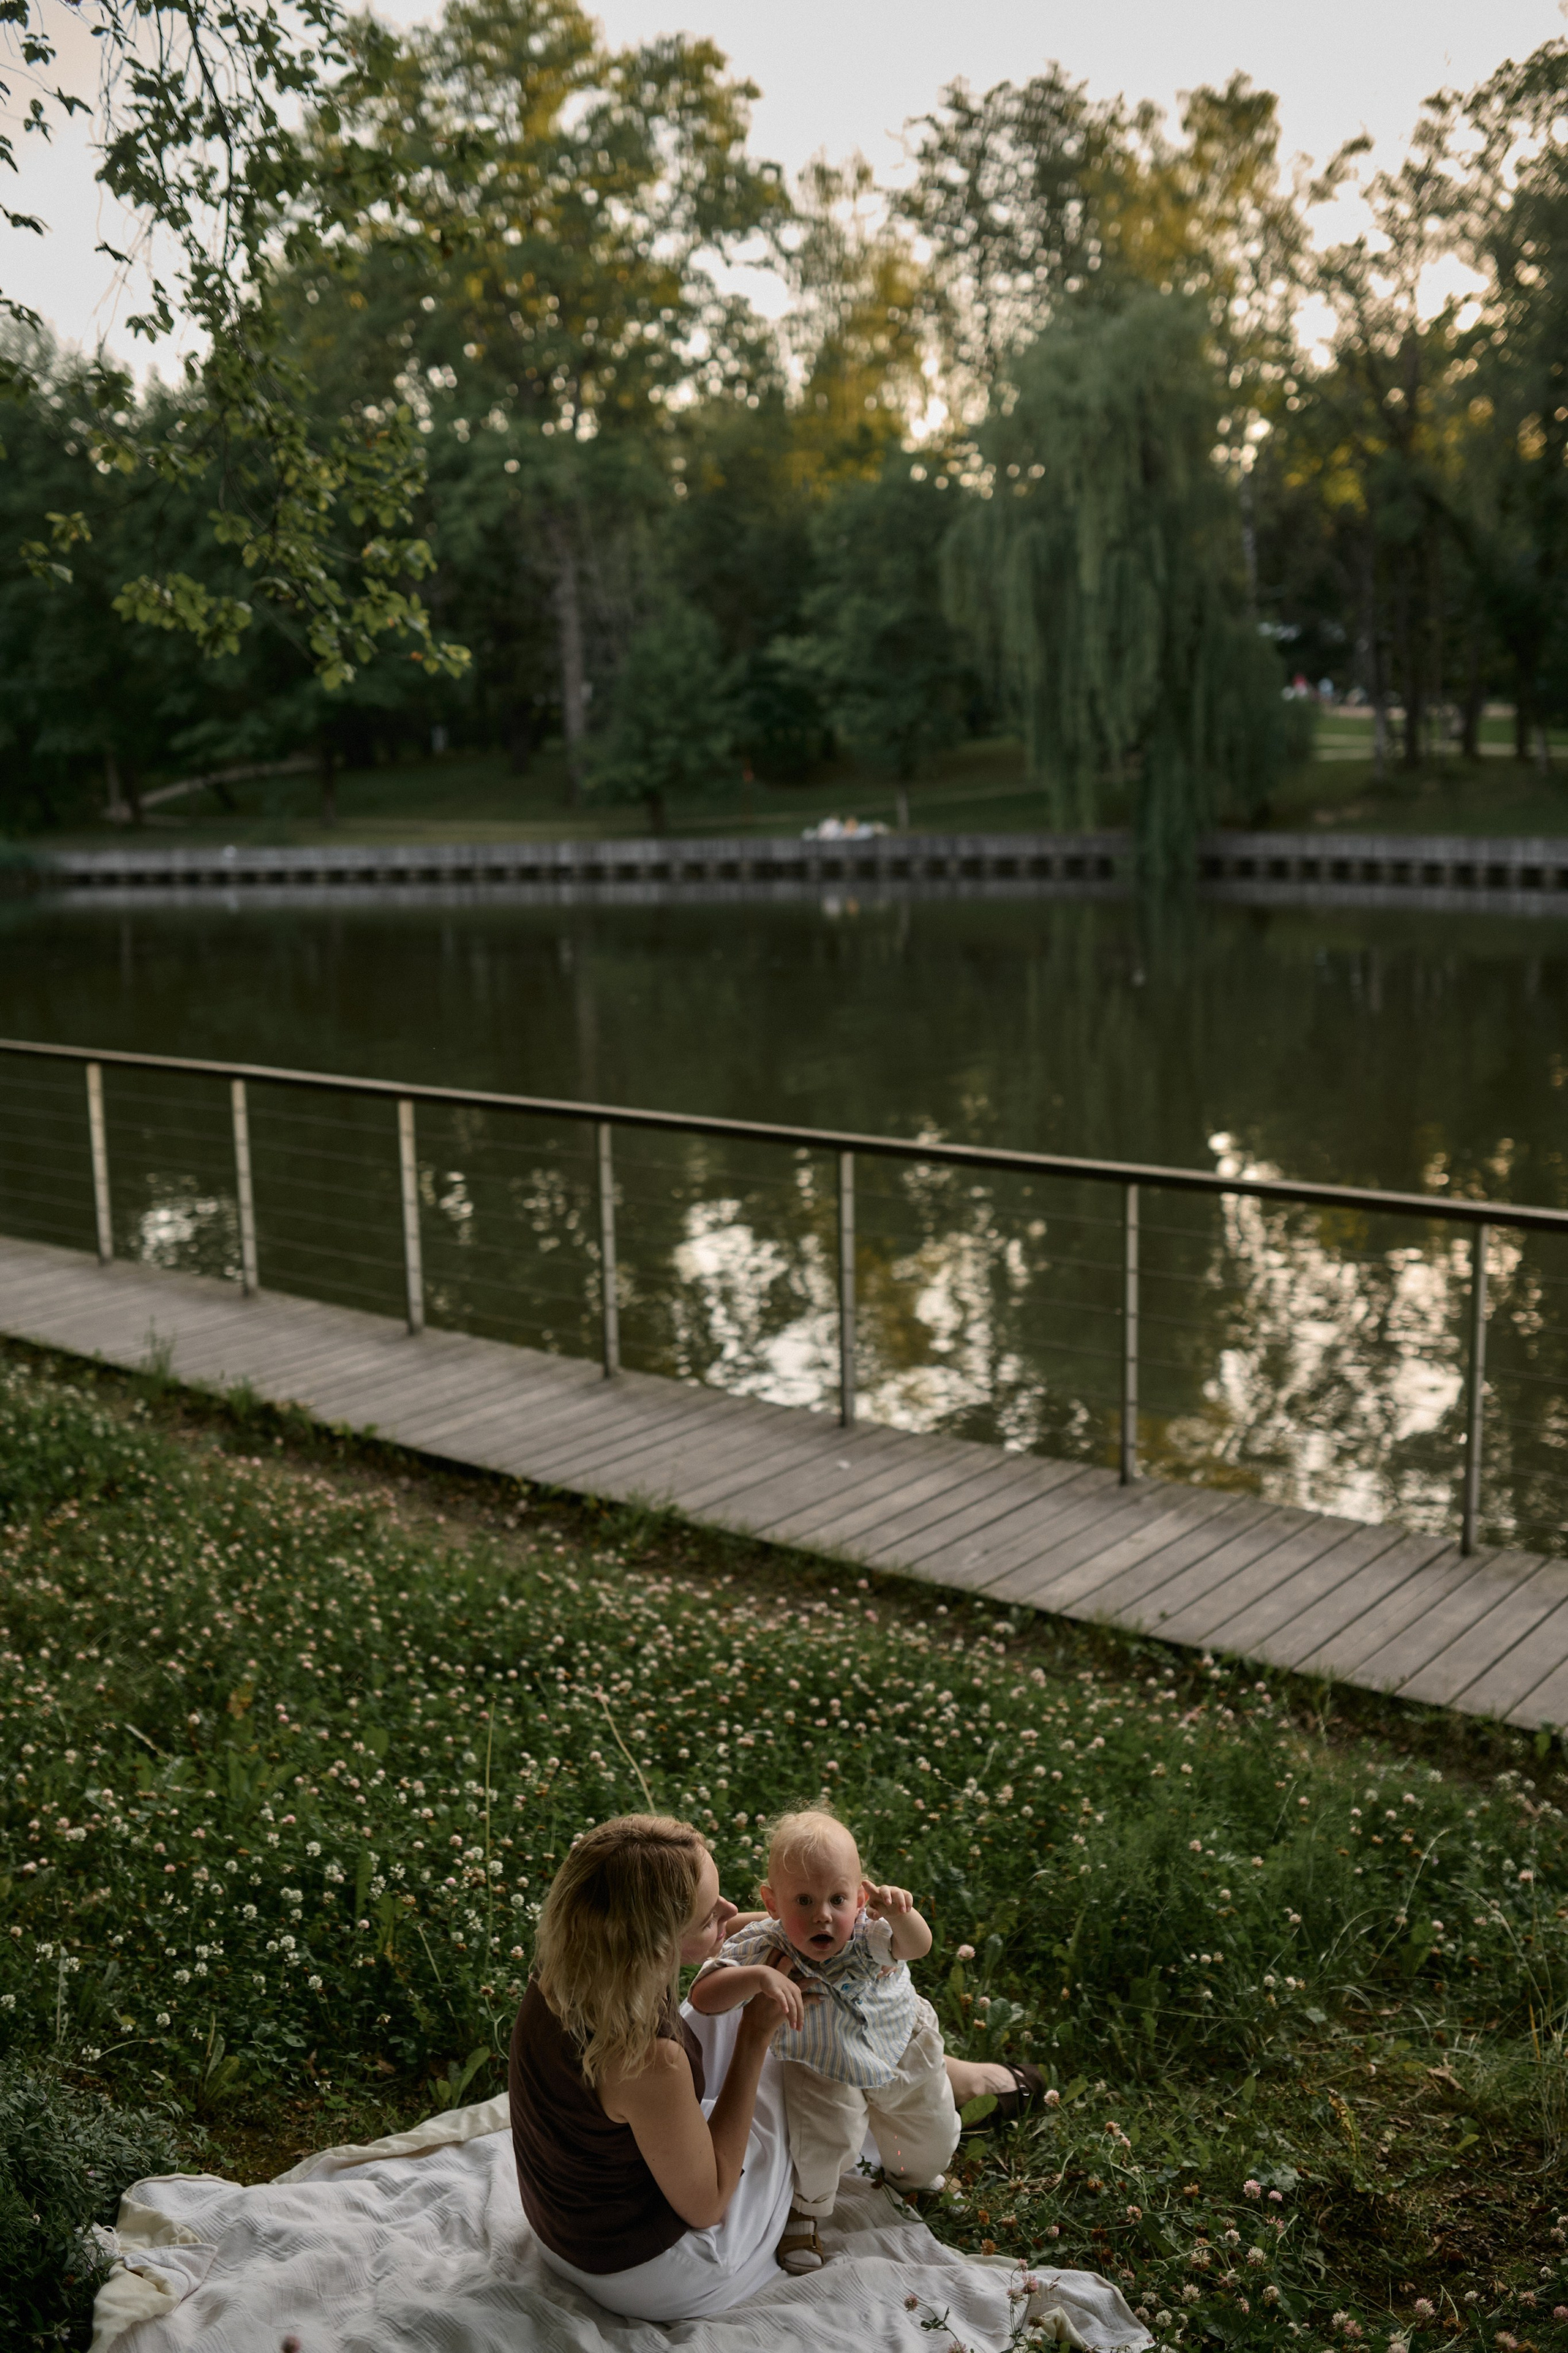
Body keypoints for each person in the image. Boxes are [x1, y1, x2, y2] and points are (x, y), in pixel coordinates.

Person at [688, 1806, 1041, 2276]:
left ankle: (912, 2174)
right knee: (821, 2141)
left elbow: (917, 1947)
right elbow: (704, 1996)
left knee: (929, 2135)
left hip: (901, 2050)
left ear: (859, 1898)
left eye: (837, 1899)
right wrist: (755, 1979)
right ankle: (806, 2210)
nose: (823, 1916)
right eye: (803, 1901)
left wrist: (903, 1916)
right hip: (819, 2060)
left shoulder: (869, 1933)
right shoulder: (765, 1945)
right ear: (772, 1904)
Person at [508, 1812, 803, 2321]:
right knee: (793, 2075)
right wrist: (755, 2037)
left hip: (562, 2230)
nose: (732, 1911)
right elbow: (707, 2205)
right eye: (708, 1917)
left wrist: (798, 1924)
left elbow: (728, 1934)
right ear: (657, 1945)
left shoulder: (575, 1961)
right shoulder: (647, 2059)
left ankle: (922, 2065)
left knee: (738, 1991)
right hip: (644, 2270)